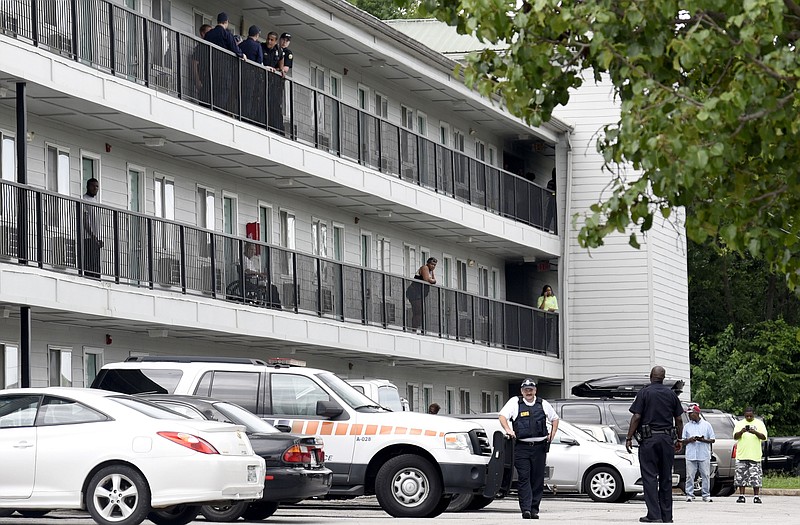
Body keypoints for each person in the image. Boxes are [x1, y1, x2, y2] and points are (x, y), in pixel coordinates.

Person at [625, 366, 684, 524]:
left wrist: (629, 437)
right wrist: (679, 439)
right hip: (666, 440)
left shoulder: (644, 393)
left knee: (650, 477)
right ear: (663, 378)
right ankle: (667, 516)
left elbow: (637, 416)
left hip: (649, 440)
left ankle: (654, 515)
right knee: (666, 478)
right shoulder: (672, 395)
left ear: (651, 376)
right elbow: (678, 419)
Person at [499, 378, 559, 520]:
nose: (528, 392)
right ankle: (526, 509)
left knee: (537, 479)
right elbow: (502, 416)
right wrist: (508, 429)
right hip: (522, 447)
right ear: (522, 391)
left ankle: (534, 509)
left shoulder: (542, 403)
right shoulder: (515, 402)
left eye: (531, 389)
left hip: (540, 447)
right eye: (526, 390)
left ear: (535, 390)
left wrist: (553, 433)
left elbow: (555, 418)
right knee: (524, 478)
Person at [733, 407, 768, 504]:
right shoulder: (739, 424)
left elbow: (764, 437)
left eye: (750, 416)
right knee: (741, 477)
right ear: (744, 414)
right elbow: (735, 437)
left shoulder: (759, 423)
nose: (748, 417)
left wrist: (755, 432)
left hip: (755, 456)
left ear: (754, 414)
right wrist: (742, 431)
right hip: (742, 455)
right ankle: (741, 496)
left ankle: (756, 496)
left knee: (755, 477)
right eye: (747, 416)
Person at [682, 404, 715, 502]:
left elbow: (712, 440)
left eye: (690, 413)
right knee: (690, 475)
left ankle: (706, 495)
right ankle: (689, 494)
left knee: (705, 475)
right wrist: (690, 440)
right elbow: (683, 441)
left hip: (703, 454)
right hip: (691, 454)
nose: (689, 416)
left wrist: (703, 440)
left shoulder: (707, 425)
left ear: (696, 413)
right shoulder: (687, 426)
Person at [405, 257, 437, 332]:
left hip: (420, 294)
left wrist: (432, 280)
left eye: (435, 265)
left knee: (421, 312)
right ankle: (413, 329)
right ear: (428, 263)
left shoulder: (431, 271)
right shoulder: (425, 267)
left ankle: (416, 328)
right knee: (418, 311)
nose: (433, 266)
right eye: (432, 264)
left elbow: (434, 280)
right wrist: (432, 280)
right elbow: (427, 279)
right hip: (414, 293)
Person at [262, 31, 285, 133]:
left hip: (273, 82)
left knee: (274, 103)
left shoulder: (278, 51)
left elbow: (281, 61)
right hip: (261, 78)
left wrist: (281, 70)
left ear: (275, 41)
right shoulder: (261, 47)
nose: (269, 41)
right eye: (268, 39)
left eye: (271, 40)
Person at [82, 178, 103, 278]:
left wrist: (99, 238)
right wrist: (93, 236)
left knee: (96, 267)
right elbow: (84, 220)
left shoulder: (96, 201)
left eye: (97, 186)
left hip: (96, 239)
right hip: (88, 238)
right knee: (89, 266)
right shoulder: (84, 199)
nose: (96, 188)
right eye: (93, 186)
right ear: (88, 187)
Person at [191, 24, 212, 103]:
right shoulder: (200, 48)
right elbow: (194, 63)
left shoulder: (210, 47)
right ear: (203, 34)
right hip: (203, 81)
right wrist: (197, 80)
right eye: (209, 32)